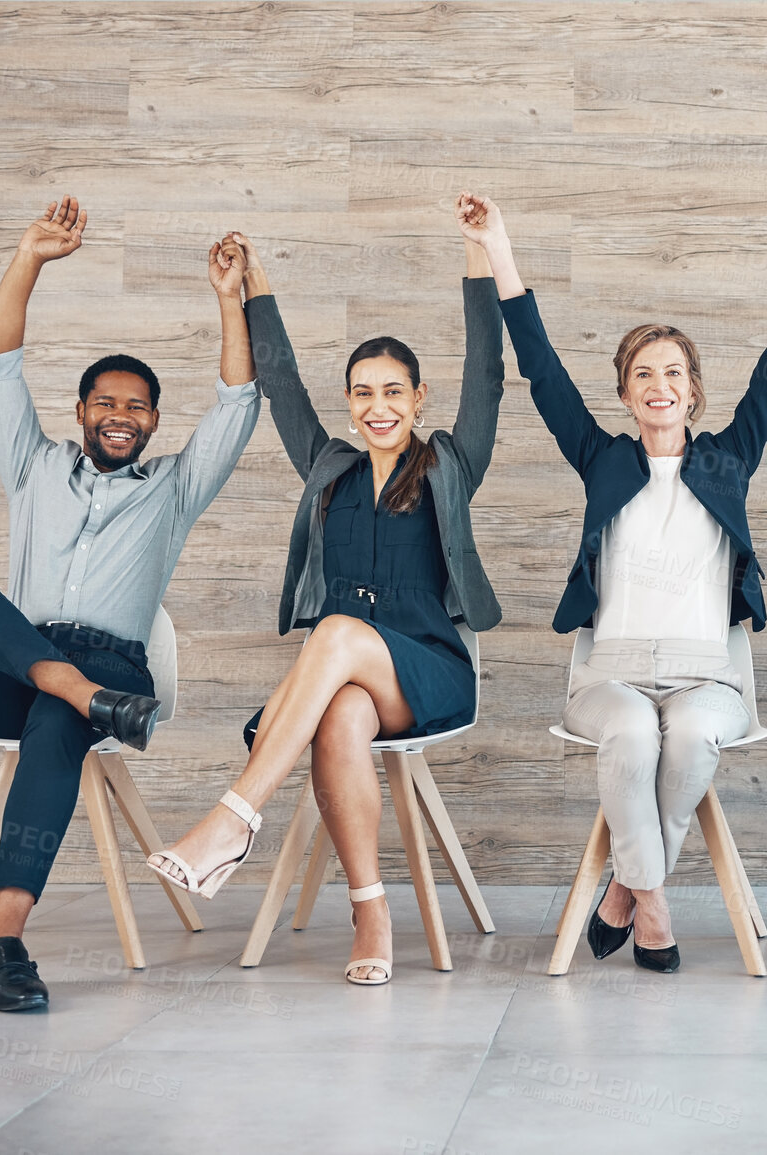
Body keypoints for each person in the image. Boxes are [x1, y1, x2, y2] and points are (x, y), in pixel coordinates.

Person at [462, 182, 767, 972]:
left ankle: (622, 894)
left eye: (672, 371)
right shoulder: (602, 459)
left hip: (709, 674)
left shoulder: (728, 458)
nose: (658, 385)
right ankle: (655, 900)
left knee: (694, 733)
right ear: (626, 393)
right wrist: (499, 246)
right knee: (635, 732)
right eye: (642, 373)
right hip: (613, 675)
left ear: (693, 389)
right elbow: (539, 366)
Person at [0, 197, 261, 1011]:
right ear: (80, 413)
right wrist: (29, 256)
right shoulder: (34, 466)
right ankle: (75, 692)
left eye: (137, 406)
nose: (120, 415)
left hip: (109, 667)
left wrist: (227, 299)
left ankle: (1, 943)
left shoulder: (173, 489)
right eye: (105, 401)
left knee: (59, 718)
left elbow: (238, 406)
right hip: (16, 664)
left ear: (154, 423)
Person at [147, 196, 505, 987]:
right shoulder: (327, 470)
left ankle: (232, 820)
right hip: (351, 681)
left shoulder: (449, 466)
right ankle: (370, 908)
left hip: (429, 672)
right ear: (349, 404)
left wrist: (481, 252)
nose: (376, 407)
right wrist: (247, 283)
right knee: (340, 712)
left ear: (418, 400)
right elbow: (278, 381)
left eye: (392, 392)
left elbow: (488, 369)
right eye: (362, 393)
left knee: (336, 631)